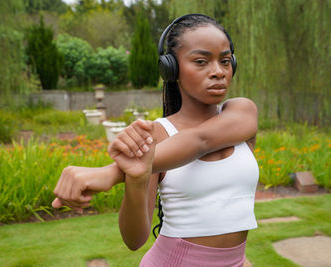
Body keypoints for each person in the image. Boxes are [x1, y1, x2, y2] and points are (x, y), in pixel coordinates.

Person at [52, 14, 258, 267]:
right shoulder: (156, 135)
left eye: (225, 61)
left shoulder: (242, 113)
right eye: (201, 61)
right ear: (171, 68)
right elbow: (135, 239)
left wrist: (111, 174)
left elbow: (202, 140)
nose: (218, 72)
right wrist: (135, 178)